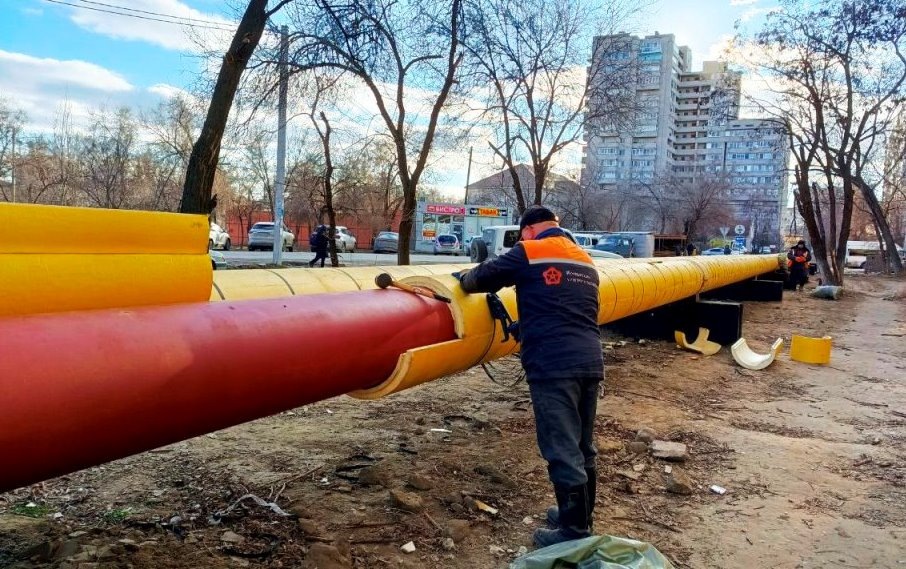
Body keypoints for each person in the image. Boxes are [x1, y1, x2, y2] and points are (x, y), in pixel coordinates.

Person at [454, 205, 603, 548]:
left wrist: (461, 278)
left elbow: (481, 278)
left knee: (561, 447)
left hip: (553, 364)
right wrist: (527, 326)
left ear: (528, 230)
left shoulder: (531, 250)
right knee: (583, 446)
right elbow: (570, 310)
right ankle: (580, 516)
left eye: (523, 235)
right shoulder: (583, 259)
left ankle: (574, 532)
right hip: (589, 359)